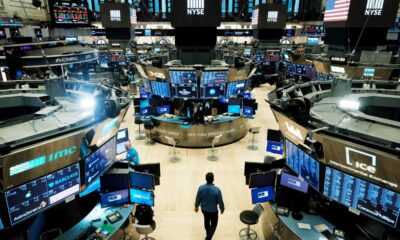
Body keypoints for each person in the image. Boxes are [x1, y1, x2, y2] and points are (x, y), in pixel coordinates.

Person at [195, 172, 225, 240]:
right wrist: (222, 209)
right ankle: (208, 238)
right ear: (213, 179)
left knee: (206, 221)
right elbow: (220, 201)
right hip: (213, 212)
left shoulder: (201, 188)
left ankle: (208, 235)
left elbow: (197, 198)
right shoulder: (217, 190)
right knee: (214, 225)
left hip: (204, 210)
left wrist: (196, 206)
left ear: (205, 179)